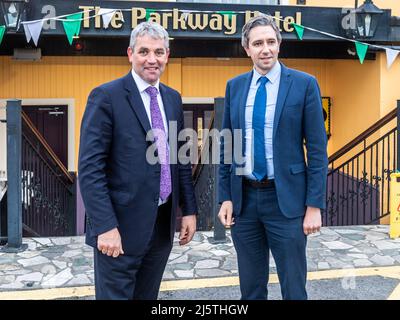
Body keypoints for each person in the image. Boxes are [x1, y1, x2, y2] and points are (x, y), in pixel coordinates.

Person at [78, 22, 197, 300]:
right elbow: (90, 169)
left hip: (160, 227)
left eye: (158, 52)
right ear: (130, 53)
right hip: (118, 231)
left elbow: (179, 160)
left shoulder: (172, 98)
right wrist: (106, 227)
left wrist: (188, 210)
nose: (152, 59)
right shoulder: (106, 96)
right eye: (144, 51)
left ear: (167, 55)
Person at [218, 14, 328, 300]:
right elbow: (228, 144)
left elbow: (317, 149)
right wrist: (225, 197)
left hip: (287, 203)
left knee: (293, 288)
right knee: (251, 290)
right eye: (257, 43)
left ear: (279, 45)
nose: (265, 48)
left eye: (270, 41)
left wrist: (314, 205)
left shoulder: (304, 84)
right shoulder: (235, 86)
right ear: (247, 49)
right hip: (245, 203)